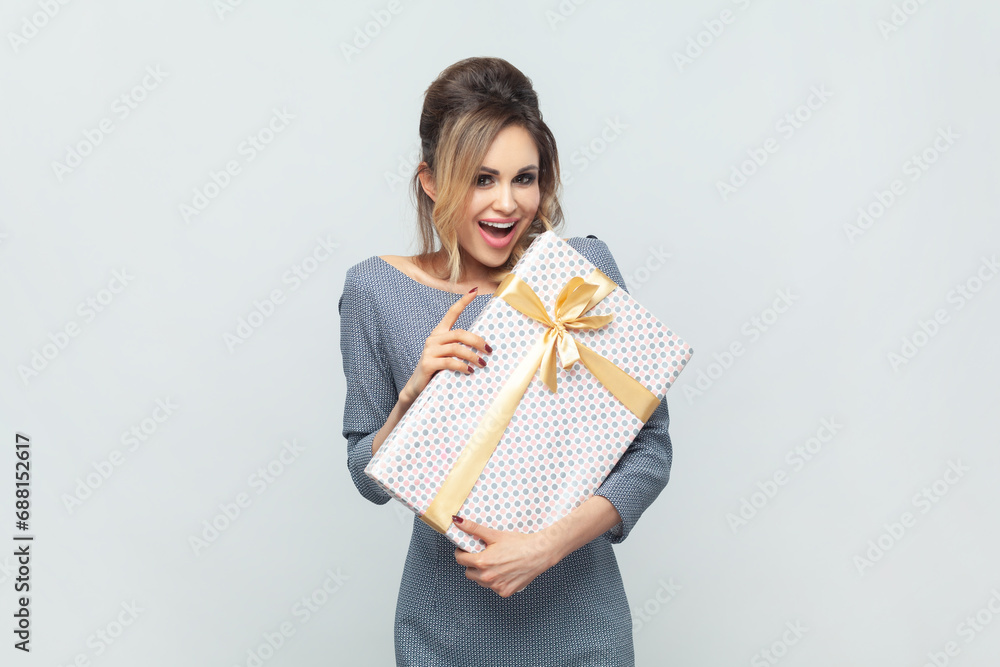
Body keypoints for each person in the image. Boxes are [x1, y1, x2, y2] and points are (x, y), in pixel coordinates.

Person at [339, 56, 673, 667]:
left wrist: (545, 547)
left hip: (582, 629)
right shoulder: (375, 290)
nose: (507, 203)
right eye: (482, 178)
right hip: (445, 632)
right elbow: (367, 476)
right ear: (431, 180)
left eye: (525, 178)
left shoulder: (579, 272)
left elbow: (650, 453)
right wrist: (412, 394)